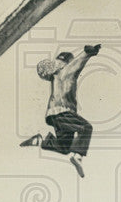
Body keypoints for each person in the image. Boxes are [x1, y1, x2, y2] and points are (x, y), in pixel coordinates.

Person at [20, 44, 102, 178]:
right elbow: (77, 63)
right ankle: (78, 156)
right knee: (86, 127)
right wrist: (88, 53)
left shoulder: (55, 76)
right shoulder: (66, 70)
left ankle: (39, 141)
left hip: (54, 115)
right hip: (62, 113)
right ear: (66, 63)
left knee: (64, 147)